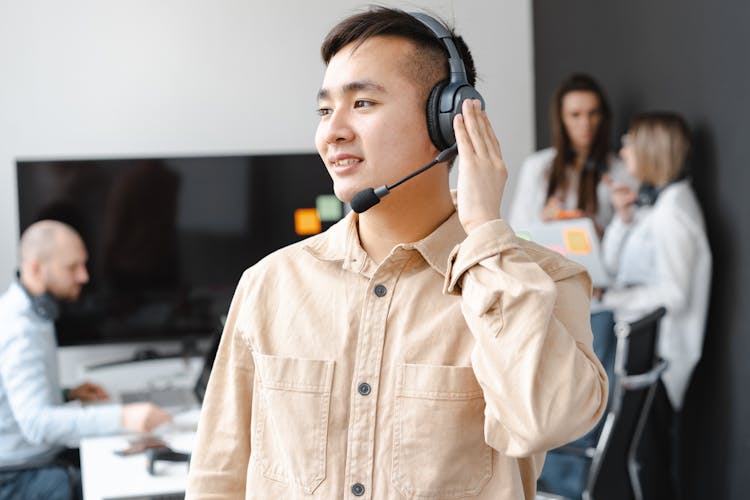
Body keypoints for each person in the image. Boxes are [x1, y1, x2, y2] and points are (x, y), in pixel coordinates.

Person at [186, 8, 607, 499]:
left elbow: (547, 420)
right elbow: (218, 477)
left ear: (448, 120)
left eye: (362, 103)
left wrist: (485, 231)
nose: (333, 131)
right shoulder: (269, 284)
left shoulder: (538, 283)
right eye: (325, 111)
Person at [0, 220, 173, 500]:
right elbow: (36, 424)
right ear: (35, 268)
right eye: (72, 267)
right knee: (124, 482)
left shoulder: (33, 313)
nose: (83, 276)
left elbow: (15, 398)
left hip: (36, 458)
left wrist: (66, 393)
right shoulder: (20, 329)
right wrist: (124, 417)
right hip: (20, 474)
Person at [597, 112, 711, 498]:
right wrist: (623, 218)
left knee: (647, 461)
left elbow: (673, 295)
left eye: (629, 141)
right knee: (639, 457)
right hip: (639, 353)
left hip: (660, 359)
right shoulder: (652, 207)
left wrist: (610, 298)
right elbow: (613, 267)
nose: (622, 150)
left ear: (650, 149)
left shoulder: (675, 211)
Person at [508, 73, 628, 233]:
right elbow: (518, 234)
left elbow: (629, 243)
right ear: (561, 119)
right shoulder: (537, 166)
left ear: (602, 116)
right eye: (575, 115)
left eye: (593, 114)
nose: (585, 123)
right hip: (549, 256)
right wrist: (544, 222)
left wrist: (593, 230)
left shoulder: (620, 170)